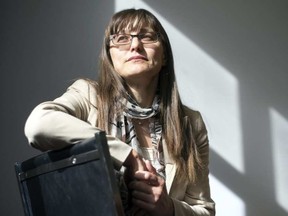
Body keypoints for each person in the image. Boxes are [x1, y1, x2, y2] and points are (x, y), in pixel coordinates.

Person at [25, 8, 215, 216]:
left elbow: (204, 210)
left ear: (165, 57)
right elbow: (38, 125)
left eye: (147, 36)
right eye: (122, 39)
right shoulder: (88, 95)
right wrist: (128, 156)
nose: (135, 45)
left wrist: (169, 208)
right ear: (110, 56)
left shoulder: (190, 123)